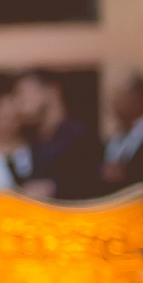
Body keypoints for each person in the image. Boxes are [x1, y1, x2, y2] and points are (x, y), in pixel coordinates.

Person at [10, 69, 102, 200]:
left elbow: (94, 185)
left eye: (23, 94)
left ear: (51, 91)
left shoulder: (78, 136)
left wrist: (54, 187)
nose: (18, 103)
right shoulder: (31, 140)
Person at [100, 73, 143, 190]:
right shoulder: (116, 137)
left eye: (120, 96)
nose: (114, 102)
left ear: (138, 99)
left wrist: (126, 173)